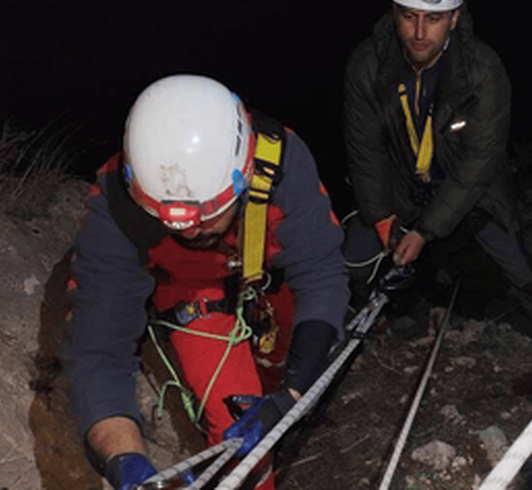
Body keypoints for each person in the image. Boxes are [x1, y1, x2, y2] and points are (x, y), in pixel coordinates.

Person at [66, 74, 350, 490]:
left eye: (207, 215)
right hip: (191, 291)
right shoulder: (116, 203)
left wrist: (292, 394)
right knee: (240, 438)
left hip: (270, 277)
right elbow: (98, 347)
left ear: (244, 177)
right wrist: (123, 459)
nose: (191, 231)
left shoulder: (280, 162)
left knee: (297, 353)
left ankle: (283, 393)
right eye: (168, 220)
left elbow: (321, 275)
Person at [342, 0, 532, 340]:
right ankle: (361, 330)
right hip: (400, 185)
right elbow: (366, 154)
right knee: (351, 259)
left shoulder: (483, 70)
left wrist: (426, 231)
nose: (419, 33)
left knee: (515, 259)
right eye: (408, 16)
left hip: (468, 187)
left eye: (433, 19)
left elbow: (480, 160)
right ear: (393, 12)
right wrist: (382, 219)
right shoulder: (367, 65)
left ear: (454, 17)